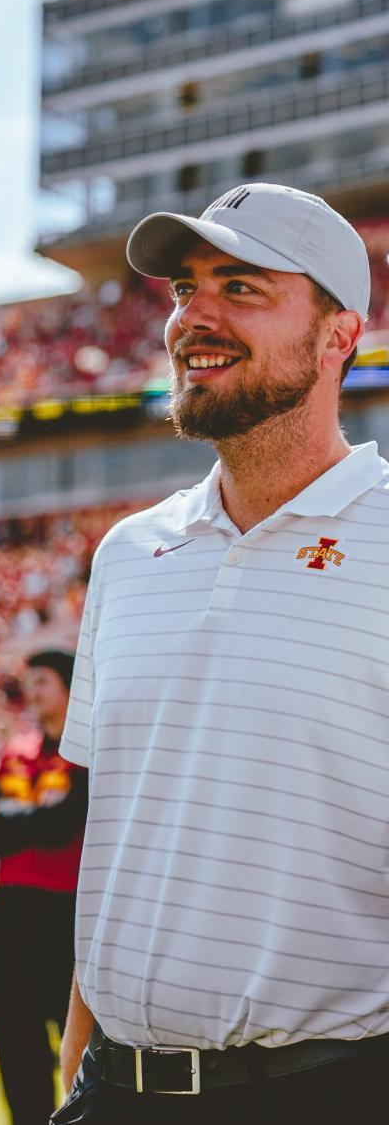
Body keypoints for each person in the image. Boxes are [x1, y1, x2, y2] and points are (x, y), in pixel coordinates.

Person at [56, 182, 389, 1124]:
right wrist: (79, 1067)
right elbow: (125, 835)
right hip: (112, 1089)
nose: (192, 318)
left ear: (338, 336)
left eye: (241, 288)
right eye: (182, 290)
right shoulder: (128, 552)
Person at [0, 650, 88, 1125]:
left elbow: (64, 825)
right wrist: (29, 824)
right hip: (12, 909)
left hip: (67, 911)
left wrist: (11, 823)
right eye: (28, 682)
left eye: (42, 682)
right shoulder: (16, 751)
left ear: (69, 688)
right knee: (15, 1041)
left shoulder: (88, 752)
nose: (32, 691)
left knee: (75, 1041)